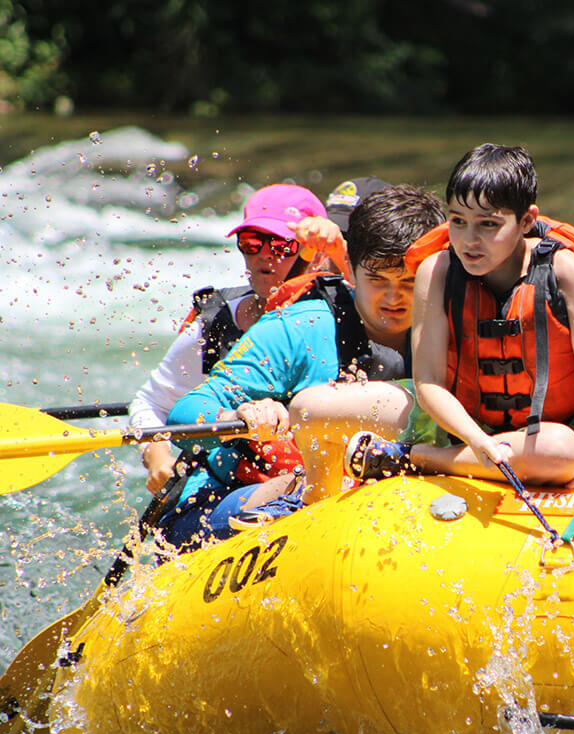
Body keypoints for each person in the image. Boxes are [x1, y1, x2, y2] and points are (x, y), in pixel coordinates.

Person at [161, 184, 445, 546]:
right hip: (231, 499)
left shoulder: (455, 322)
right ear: (351, 273)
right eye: (377, 280)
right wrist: (246, 414)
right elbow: (184, 413)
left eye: (408, 281)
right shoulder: (297, 329)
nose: (394, 297)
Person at [356, 143, 574, 487]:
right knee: (312, 406)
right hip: (458, 423)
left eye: (488, 224)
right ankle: (434, 455)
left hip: (548, 433)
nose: (469, 240)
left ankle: (416, 458)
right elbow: (429, 382)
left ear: (527, 221)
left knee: (561, 452)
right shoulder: (436, 271)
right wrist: (479, 441)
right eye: (458, 221)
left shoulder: (564, 270)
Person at [128, 184, 340, 495]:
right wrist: (157, 453)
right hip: (229, 478)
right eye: (252, 242)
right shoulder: (215, 320)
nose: (264, 255)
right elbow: (151, 403)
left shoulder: (341, 312)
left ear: (314, 254)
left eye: (282, 245)